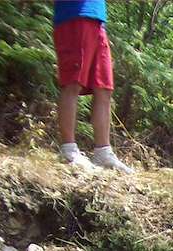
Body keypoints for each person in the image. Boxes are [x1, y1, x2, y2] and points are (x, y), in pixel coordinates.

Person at [52, 0, 133, 173]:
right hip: (74, 16)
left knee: (104, 88)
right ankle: (68, 151)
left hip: (97, 20)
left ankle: (103, 152)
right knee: (72, 83)